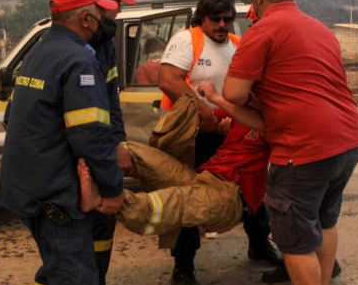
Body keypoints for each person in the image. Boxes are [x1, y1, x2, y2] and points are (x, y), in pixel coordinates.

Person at [0, 0, 138, 285]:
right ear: (85, 17)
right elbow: (92, 136)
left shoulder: (41, 51)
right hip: (56, 193)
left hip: (28, 186)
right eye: (98, 14)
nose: (101, 21)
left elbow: (16, 119)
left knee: (62, 264)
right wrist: (112, 189)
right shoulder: (78, 61)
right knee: (76, 280)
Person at [222, 0, 358, 285]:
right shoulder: (319, 28)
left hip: (303, 150)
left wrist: (219, 97)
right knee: (325, 220)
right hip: (347, 140)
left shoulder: (262, 31)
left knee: (295, 240)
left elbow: (234, 94)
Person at [158, 0, 282, 285]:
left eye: (228, 19)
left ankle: (258, 244)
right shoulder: (188, 40)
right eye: (215, 19)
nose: (222, 25)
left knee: (251, 185)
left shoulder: (238, 45)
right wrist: (205, 113)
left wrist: (231, 118)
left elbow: (243, 91)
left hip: (227, 133)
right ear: (202, 18)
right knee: (190, 199)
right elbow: (169, 80)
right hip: (190, 138)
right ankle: (183, 268)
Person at [77, 93, 269, 241]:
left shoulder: (274, 124)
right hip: (202, 179)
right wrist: (215, 125)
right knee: (132, 152)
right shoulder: (238, 114)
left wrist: (217, 97)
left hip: (231, 196)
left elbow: (276, 133)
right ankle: (89, 172)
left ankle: (103, 198)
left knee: (168, 203)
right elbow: (205, 117)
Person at [81, 0, 137, 285]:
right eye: (115, 6)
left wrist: (120, 142)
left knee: (102, 235)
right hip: (85, 160)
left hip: (102, 152)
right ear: (98, 7)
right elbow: (84, 123)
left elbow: (111, 101)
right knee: (80, 244)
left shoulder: (104, 44)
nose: (119, 14)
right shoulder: (75, 50)